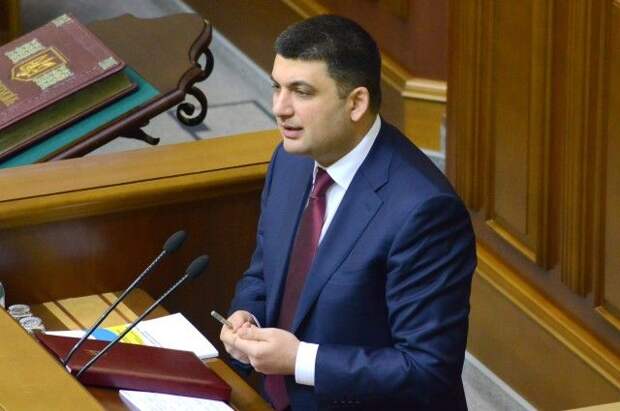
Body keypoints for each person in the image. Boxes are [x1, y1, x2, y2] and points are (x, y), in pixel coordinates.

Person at [219, 14, 476, 411]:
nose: (280, 108)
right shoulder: (290, 160)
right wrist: (246, 317)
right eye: (276, 87)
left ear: (356, 103)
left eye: (301, 92)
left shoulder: (424, 212)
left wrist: (300, 360)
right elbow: (265, 272)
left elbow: (427, 370)